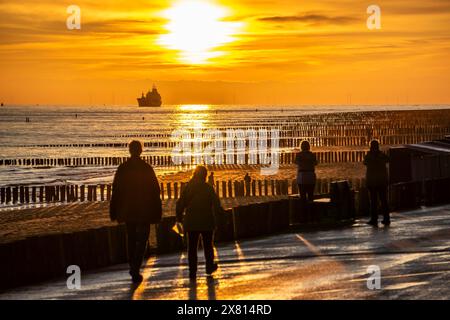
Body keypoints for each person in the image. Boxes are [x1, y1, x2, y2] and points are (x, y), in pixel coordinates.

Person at [110, 140, 162, 283]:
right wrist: (157, 211)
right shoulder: (146, 168)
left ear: (129, 150)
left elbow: (116, 190)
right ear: (140, 151)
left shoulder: (123, 168)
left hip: (127, 210)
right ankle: (135, 266)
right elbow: (155, 190)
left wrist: (113, 210)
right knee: (142, 239)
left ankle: (133, 265)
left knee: (131, 239)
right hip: (144, 210)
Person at [176, 166, 224, 280]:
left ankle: (192, 271)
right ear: (205, 175)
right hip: (207, 221)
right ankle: (209, 266)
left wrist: (179, 218)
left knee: (192, 247)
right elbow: (216, 205)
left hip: (191, 222)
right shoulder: (208, 188)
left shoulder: (188, 187)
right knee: (208, 245)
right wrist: (220, 218)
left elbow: (180, 204)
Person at [364, 139, 390, 227]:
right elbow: (388, 159)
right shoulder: (381, 155)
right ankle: (385, 219)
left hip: (374, 182)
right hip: (380, 181)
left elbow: (365, 162)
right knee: (382, 201)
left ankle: (375, 219)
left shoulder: (371, 155)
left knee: (375, 202)